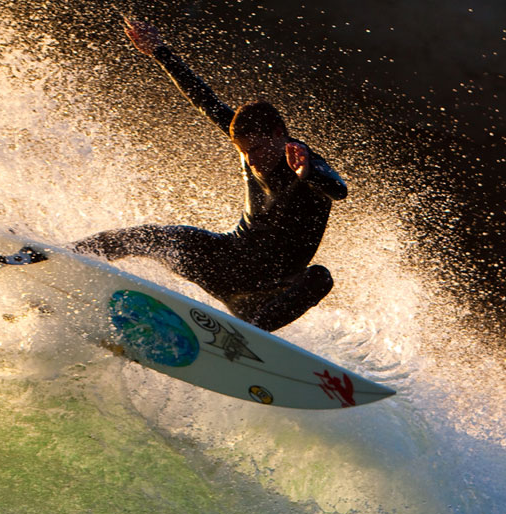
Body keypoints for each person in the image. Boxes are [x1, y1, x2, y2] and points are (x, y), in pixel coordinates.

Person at [72, 18, 347, 332]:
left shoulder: (308, 164)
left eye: (256, 149)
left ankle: (251, 335)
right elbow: (205, 100)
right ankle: (62, 257)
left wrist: (308, 173)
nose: (251, 159)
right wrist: (159, 51)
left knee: (320, 277)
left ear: (278, 134)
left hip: (267, 292)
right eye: (244, 151)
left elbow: (339, 190)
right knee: (153, 237)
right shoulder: (248, 141)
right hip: (226, 263)